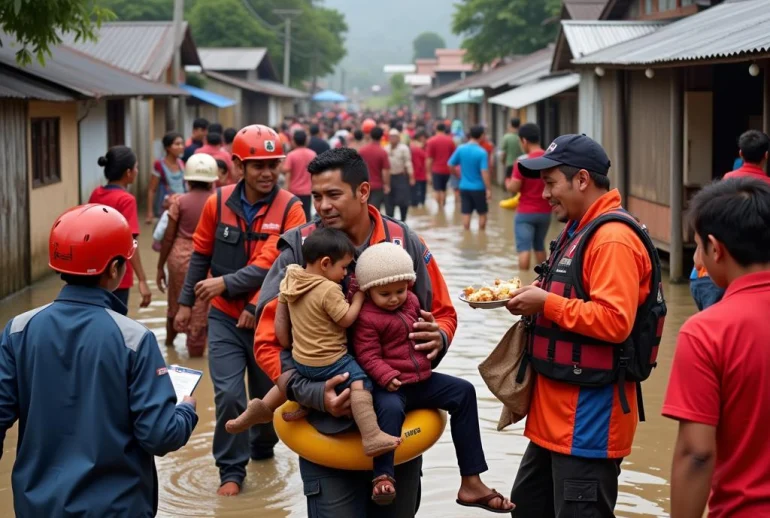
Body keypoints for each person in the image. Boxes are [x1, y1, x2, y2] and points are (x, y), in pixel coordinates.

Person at [249, 148, 458, 517]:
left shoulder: (403, 241)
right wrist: (312, 392)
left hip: (399, 424)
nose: (323, 206)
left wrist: (438, 336)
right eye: (316, 196)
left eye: (333, 195)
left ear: (363, 191)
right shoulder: (298, 250)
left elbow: (442, 312)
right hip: (326, 427)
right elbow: (268, 341)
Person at [0, 204, 198, 516]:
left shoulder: (18, 330)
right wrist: (186, 410)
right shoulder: (134, 340)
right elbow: (160, 435)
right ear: (115, 269)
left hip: (37, 507)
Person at [506, 134, 663, 517]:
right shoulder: (578, 228)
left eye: (550, 183)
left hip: (588, 424)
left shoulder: (612, 240)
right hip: (553, 421)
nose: (544, 195)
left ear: (581, 180)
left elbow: (615, 321)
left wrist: (547, 302)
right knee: (525, 506)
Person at [175, 124, 307, 496]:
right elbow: (200, 255)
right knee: (230, 394)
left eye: (273, 164)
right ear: (237, 166)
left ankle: (263, 449)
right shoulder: (217, 202)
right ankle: (231, 471)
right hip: (224, 318)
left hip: (272, 323)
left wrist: (237, 289)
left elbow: (280, 263)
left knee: (268, 397)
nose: (267, 173)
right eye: (257, 165)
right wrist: (185, 304)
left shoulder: (292, 207)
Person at [352, 242, 514, 513]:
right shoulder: (367, 318)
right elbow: (367, 356)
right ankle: (383, 475)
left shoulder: (412, 301)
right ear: (368, 292)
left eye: (400, 291)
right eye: (385, 294)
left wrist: (435, 330)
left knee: (463, 392)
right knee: (390, 409)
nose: (394, 298)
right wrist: (386, 375)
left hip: (420, 379)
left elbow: (430, 328)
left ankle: (471, 480)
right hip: (390, 385)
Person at [225, 229, 402, 457]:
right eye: (344, 267)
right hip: (331, 361)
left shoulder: (291, 281)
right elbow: (346, 320)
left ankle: (262, 409)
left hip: (301, 360)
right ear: (326, 263)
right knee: (361, 381)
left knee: (288, 381)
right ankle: (371, 436)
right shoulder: (328, 289)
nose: (345, 273)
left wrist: (292, 347)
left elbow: (281, 330)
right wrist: (358, 298)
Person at [663, 177, 770, 518]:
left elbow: (697, 454)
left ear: (715, 248)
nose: (697, 257)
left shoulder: (707, 332)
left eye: (696, 246)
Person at [156, 154, 217, 356]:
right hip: (208, 258)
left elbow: (168, 237)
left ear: (187, 179)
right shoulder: (218, 202)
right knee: (200, 307)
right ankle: (196, 356)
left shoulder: (179, 202)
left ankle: (169, 347)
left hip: (178, 259)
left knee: (176, 302)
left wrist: (159, 267)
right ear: (213, 180)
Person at [89, 146, 152, 309]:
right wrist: (143, 280)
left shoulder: (96, 193)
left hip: (94, 272)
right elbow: (131, 242)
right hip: (118, 276)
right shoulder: (126, 200)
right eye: (136, 167)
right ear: (128, 172)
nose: (137, 171)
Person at [505, 123, 552, 271]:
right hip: (545, 211)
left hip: (525, 212)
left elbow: (514, 188)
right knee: (539, 245)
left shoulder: (522, 162)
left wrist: (507, 183)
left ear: (524, 141)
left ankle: (523, 282)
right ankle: (544, 280)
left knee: (524, 248)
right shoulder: (551, 159)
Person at [448, 125, 491, 231]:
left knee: (466, 212)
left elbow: (450, 164)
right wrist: (488, 189)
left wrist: (457, 175)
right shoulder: (482, 152)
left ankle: (466, 233)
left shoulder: (461, 148)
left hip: (464, 187)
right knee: (482, 213)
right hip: (479, 188)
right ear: (481, 136)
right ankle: (481, 235)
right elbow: (484, 171)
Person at [147, 131, 186, 223]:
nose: (181, 147)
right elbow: (152, 189)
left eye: (181, 144)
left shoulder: (181, 163)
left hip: (181, 205)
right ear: (168, 147)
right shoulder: (159, 165)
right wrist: (150, 212)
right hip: (165, 207)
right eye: (177, 144)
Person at [282, 129, 317, 221]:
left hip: (294, 192)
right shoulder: (312, 154)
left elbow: (287, 174)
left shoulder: (291, 155)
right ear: (306, 140)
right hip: (308, 191)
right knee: (307, 216)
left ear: (293, 141)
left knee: (294, 218)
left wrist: (285, 192)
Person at [359, 126, 391, 212]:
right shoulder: (382, 152)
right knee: (375, 211)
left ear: (370, 135)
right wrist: (386, 185)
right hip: (377, 187)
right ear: (381, 137)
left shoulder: (362, 151)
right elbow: (385, 171)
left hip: (363, 185)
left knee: (363, 210)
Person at [385, 128, 414, 221]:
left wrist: (411, 177)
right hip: (389, 178)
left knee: (403, 201)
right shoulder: (386, 148)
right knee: (389, 202)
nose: (392, 138)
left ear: (398, 138)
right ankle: (390, 222)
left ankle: (403, 220)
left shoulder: (404, 148)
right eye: (391, 137)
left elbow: (408, 163)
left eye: (394, 137)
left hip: (401, 177)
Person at [426, 122, 456, 208]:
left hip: (436, 170)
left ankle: (439, 208)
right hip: (447, 170)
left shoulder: (431, 141)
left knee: (437, 189)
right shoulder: (450, 140)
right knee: (444, 189)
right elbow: (454, 157)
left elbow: (429, 159)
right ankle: (443, 205)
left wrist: (428, 172)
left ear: (436, 129)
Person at [409, 130, 428, 208]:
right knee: (417, 197)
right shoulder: (416, 149)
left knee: (419, 196)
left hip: (421, 175)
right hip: (418, 176)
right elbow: (418, 164)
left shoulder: (422, 149)